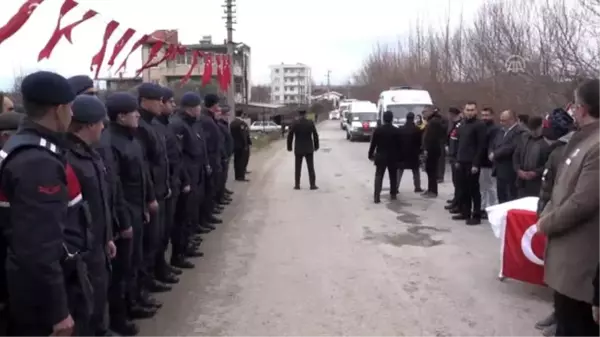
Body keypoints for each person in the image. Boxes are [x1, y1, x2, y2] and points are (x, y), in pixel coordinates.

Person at [0, 71, 91, 336]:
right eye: (71, 107)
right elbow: (38, 247)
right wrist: (58, 311)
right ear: (59, 109)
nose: (73, 115)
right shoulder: (37, 162)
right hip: (43, 293)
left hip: (35, 282)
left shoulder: (30, 146)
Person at [538, 79, 600, 337]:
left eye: (574, 106)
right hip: (566, 259)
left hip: (581, 262)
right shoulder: (583, 140)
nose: (572, 111)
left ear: (582, 108)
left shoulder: (597, 146)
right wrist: (547, 212)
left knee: (576, 326)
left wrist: (546, 223)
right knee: (565, 320)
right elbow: (560, 186)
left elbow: (582, 202)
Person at [103, 92, 158, 323]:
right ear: (121, 116)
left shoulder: (132, 139)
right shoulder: (109, 143)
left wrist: (147, 201)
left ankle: (135, 300)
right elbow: (115, 187)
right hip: (125, 212)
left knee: (136, 260)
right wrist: (123, 221)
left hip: (138, 207)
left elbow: (142, 174)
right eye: (133, 112)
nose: (138, 114)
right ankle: (120, 315)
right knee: (123, 267)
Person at [65, 95, 115, 337]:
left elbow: (100, 202)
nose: (103, 127)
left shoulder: (90, 154)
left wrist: (108, 237)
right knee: (86, 304)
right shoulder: (68, 159)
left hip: (98, 241)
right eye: (100, 122)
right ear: (87, 125)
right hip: (82, 248)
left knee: (100, 294)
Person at [535, 107, 575, 337]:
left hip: (560, 215)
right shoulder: (559, 149)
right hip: (552, 210)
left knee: (562, 268)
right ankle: (557, 312)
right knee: (554, 265)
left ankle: (562, 318)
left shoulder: (566, 150)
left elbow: (557, 187)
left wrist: (547, 214)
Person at [135, 83, 171, 305]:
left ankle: (152, 278)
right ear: (143, 101)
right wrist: (150, 195)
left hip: (159, 189)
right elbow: (144, 166)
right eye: (156, 99)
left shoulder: (153, 125)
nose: (161, 103)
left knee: (157, 239)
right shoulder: (140, 127)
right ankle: (141, 290)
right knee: (146, 246)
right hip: (148, 195)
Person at [170, 92, 209, 269]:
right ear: (190, 108)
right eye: (198, 106)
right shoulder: (179, 125)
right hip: (187, 176)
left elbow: (200, 148)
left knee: (190, 214)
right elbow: (180, 156)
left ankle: (187, 246)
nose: (200, 109)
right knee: (183, 216)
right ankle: (179, 253)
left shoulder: (193, 124)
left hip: (196, 173)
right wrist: (185, 179)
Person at [152, 88, 187, 282]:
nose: (173, 105)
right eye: (169, 102)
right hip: (158, 190)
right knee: (156, 237)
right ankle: (156, 272)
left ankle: (161, 267)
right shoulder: (154, 126)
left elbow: (173, 157)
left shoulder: (165, 125)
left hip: (169, 184)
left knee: (165, 232)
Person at [453, 101, 486, 225]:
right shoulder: (462, 125)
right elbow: (459, 143)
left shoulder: (479, 125)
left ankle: (476, 214)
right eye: (468, 109)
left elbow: (481, 146)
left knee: (474, 190)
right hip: (461, 161)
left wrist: (476, 164)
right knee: (463, 188)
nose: (470, 112)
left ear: (476, 111)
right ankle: (465, 212)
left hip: (472, 163)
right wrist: (457, 159)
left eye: (472, 110)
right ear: (464, 111)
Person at [198, 94, 224, 227]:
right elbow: (208, 143)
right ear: (213, 105)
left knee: (211, 188)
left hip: (215, 158)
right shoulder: (206, 120)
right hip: (210, 159)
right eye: (217, 105)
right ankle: (205, 218)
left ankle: (208, 214)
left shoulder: (210, 119)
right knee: (208, 190)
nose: (218, 107)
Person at [490, 110, 524, 203]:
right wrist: (491, 151)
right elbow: (494, 143)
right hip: (499, 168)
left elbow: (511, 147)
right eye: (500, 120)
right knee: (501, 196)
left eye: (504, 121)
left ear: (512, 120)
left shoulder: (519, 132)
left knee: (510, 197)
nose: (501, 123)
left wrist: (495, 154)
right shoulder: (501, 131)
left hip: (509, 169)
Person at [368, 110, 401, 203]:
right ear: (392, 119)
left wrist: (370, 154)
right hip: (393, 156)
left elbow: (373, 144)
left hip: (380, 155)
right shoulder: (396, 131)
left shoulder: (378, 130)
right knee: (393, 176)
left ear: (383, 118)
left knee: (379, 175)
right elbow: (399, 145)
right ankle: (393, 194)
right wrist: (400, 156)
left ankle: (376, 196)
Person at [513, 116, 550, 198]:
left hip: (537, 184)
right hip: (522, 182)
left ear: (541, 127)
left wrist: (536, 172)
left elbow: (548, 164)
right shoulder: (523, 139)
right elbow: (516, 156)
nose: (533, 132)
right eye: (531, 129)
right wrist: (518, 170)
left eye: (535, 129)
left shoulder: (546, 144)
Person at [287, 109, 320, 190]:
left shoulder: (295, 123)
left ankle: (297, 185)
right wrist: (316, 146)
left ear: (299, 114)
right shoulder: (310, 123)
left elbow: (290, 135)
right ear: (305, 114)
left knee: (297, 167)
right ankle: (312, 185)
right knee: (310, 167)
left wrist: (289, 147)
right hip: (309, 148)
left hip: (298, 148)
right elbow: (315, 135)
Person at [479, 108, 501, 218]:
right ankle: (482, 207)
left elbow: (493, 144)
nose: (484, 117)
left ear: (492, 116)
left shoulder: (495, 129)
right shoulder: (481, 127)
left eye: (487, 115)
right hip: (480, 161)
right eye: (483, 115)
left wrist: (491, 154)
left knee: (491, 187)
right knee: (482, 187)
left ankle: (492, 208)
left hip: (489, 162)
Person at [421, 107, 446, 198]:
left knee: (432, 170)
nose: (423, 114)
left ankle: (433, 191)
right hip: (431, 149)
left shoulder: (434, 122)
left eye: (425, 112)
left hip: (433, 149)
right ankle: (430, 188)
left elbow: (431, 138)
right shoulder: (431, 120)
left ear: (430, 111)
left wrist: (427, 149)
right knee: (429, 169)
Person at [397, 112, 423, 193]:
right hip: (414, 153)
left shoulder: (401, 129)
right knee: (415, 171)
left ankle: (396, 187)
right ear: (413, 118)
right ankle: (417, 187)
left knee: (400, 170)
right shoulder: (417, 130)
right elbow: (420, 142)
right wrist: (420, 152)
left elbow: (398, 142)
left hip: (402, 153)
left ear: (406, 118)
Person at [215, 107, 234, 208]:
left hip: (226, 153)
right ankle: (219, 196)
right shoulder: (219, 125)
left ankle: (223, 192)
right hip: (221, 155)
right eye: (226, 114)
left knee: (224, 176)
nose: (227, 116)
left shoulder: (224, 124)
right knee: (220, 177)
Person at [445, 107, 462, 211]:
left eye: (450, 114)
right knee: (455, 180)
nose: (449, 116)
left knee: (458, 181)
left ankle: (458, 202)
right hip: (452, 155)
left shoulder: (460, 125)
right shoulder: (453, 125)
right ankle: (456, 199)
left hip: (457, 156)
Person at [230, 108, 251, 181]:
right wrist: (246, 144)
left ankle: (237, 175)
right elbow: (244, 135)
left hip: (235, 145)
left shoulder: (232, 123)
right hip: (242, 145)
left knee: (236, 161)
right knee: (242, 161)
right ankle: (241, 176)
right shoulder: (241, 123)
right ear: (241, 114)